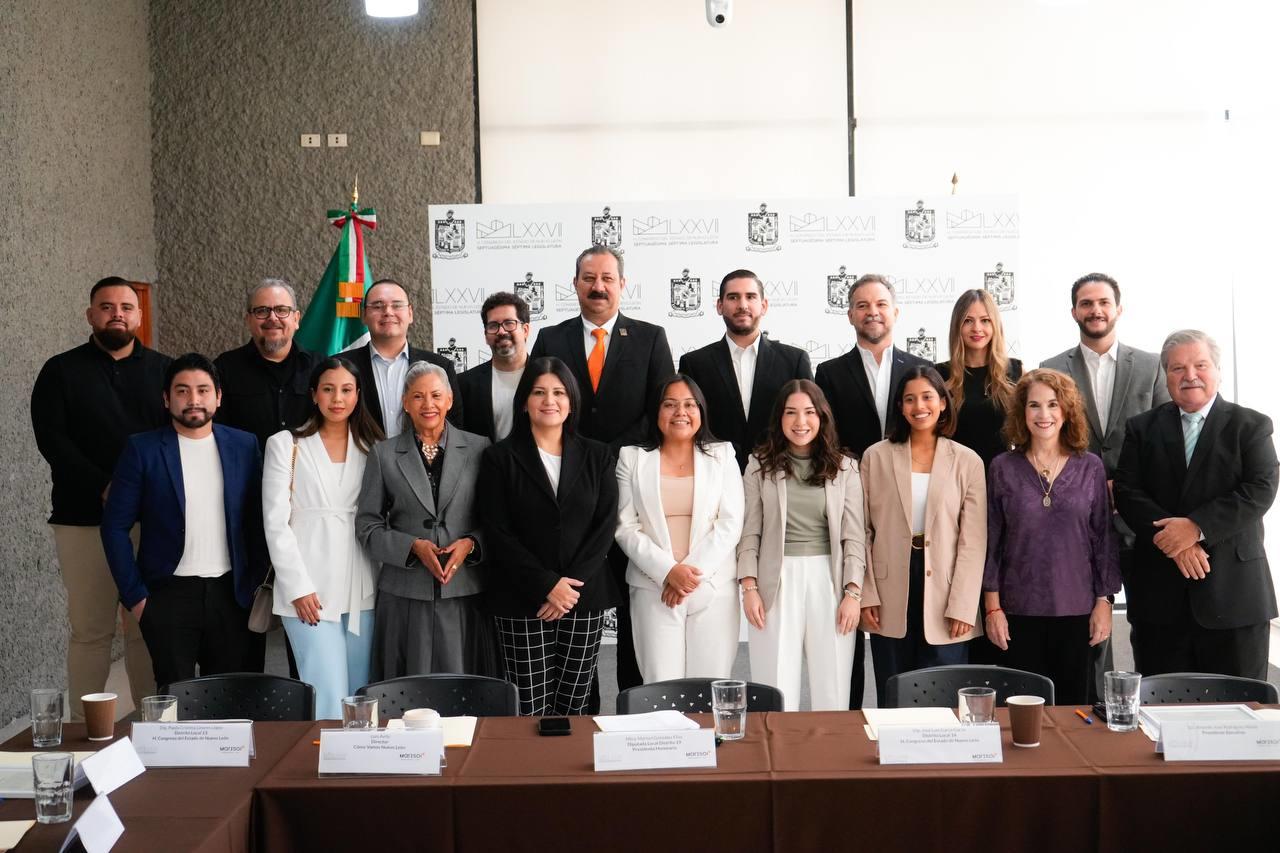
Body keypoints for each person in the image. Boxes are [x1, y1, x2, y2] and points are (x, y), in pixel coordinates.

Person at [529, 245, 674, 705]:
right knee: (576, 603)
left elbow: (660, 413)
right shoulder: (553, 338)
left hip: (631, 492)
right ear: (575, 285)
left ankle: (636, 703)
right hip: (567, 497)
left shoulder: (651, 338)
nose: (598, 286)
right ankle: (581, 707)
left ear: (622, 285)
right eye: (589, 278)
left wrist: (604, 456)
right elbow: (538, 405)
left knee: (635, 604)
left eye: (608, 278)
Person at [31, 276, 168, 720]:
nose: (117, 314)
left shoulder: (165, 372)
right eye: (106, 306)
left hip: (149, 523)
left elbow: (172, 441)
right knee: (90, 631)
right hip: (82, 519)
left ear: (139, 316)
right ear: (91, 315)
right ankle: (83, 733)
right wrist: (104, 485)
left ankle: (153, 730)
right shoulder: (60, 371)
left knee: (145, 629)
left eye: (126, 307)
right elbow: (53, 441)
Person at [1114, 330, 1278, 680]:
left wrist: (1196, 528)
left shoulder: (1250, 425)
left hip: (1234, 596)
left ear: (1217, 369)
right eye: (1177, 368)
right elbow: (1127, 491)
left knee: (1242, 711)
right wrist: (1175, 541)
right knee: (1162, 716)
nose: (1189, 375)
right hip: (1160, 598)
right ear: (1165, 376)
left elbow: (1261, 488)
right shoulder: (1142, 428)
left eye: (1200, 365)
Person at [101, 353, 268, 688]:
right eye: (182, 391)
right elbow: (114, 527)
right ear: (166, 399)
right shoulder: (142, 449)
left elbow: (259, 520)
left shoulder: (244, 445)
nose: (194, 399)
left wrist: (254, 585)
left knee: (231, 701)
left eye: (203, 390)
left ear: (218, 397)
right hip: (167, 596)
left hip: (232, 594)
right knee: (173, 704)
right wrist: (136, 597)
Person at [1040, 272, 1169, 688]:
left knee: (1150, 624)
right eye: (1086, 303)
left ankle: (1151, 708)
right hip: (1079, 523)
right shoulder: (1052, 368)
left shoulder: (1151, 366)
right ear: (1074, 310)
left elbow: (1165, 437)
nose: (1095, 310)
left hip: (1139, 521)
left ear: (1118, 308)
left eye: (1103, 302)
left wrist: (1126, 488)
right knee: (1090, 627)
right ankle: (1092, 712)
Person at [480, 357, 619, 715]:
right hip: (521, 598)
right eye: (539, 392)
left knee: (575, 704)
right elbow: (497, 531)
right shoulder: (499, 458)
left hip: (581, 598)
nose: (549, 400)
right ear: (524, 401)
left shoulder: (598, 455)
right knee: (528, 706)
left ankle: (569, 773)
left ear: (571, 401)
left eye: (558, 392)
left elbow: (604, 526)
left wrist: (567, 589)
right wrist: (545, 585)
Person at [814, 273, 928, 709]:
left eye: (880, 304)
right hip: (851, 497)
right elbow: (826, 438)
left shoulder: (921, 368)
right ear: (849, 315)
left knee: (902, 617)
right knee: (853, 611)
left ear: (895, 312)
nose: (872, 312)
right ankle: (850, 716)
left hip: (910, 502)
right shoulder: (829, 372)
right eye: (862, 305)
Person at [983, 369, 1120, 705]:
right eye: (1034, 405)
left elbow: (1103, 539)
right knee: (1020, 716)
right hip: (1017, 612)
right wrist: (992, 608)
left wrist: (1104, 602)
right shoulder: (1002, 467)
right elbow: (991, 541)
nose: (1044, 415)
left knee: (1075, 713)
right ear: (1021, 412)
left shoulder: (1090, 467)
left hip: (1077, 610)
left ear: (1067, 411)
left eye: (1053, 405)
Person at [263, 357, 384, 719]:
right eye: (328, 389)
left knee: (363, 694)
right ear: (314, 394)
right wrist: (297, 586)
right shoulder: (286, 444)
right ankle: (328, 769)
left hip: (363, 584)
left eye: (347, 390)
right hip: (308, 587)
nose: (337, 398)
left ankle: (362, 767)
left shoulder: (374, 445)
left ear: (358, 394)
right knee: (327, 693)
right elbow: (274, 521)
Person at [355, 362, 492, 679]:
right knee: (408, 690)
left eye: (435, 395)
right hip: (405, 592)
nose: (427, 404)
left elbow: (497, 520)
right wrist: (411, 546)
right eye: (417, 396)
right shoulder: (383, 454)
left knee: (464, 689)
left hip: (464, 591)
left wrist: (471, 544)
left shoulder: (480, 448)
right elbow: (367, 525)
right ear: (405, 402)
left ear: (449, 400)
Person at [859, 367, 986, 703]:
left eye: (928, 397)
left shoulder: (968, 461)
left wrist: (963, 603)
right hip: (889, 589)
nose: (919, 406)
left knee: (943, 693)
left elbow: (973, 540)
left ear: (943, 403)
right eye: (910, 399)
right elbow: (863, 531)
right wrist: (866, 593)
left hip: (946, 589)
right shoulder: (876, 457)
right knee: (894, 688)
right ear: (900, 406)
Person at [737, 380, 865, 711]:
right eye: (791, 413)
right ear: (779, 418)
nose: (800, 422)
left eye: (809, 412)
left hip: (829, 579)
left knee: (833, 686)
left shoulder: (845, 467)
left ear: (822, 417)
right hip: (774, 580)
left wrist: (853, 594)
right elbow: (750, 531)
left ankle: (830, 760)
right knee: (775, 685)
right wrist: (749, 586)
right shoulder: (759, 465)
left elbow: (854, 535)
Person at [615, 375, 744, 683]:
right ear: (656, 411)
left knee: (710, 688)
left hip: (712, 587)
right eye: (670, 405)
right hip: (653, 588)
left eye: (689, 404)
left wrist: (687, 575)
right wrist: (668, 572)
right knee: (660, 688)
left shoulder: (723, 455)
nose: (680, 413)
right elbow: (625, 527)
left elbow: (731, 522)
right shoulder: (632, 458)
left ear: (701, 410)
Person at [678, 269, 813, 472]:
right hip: (715, 474)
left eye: (750, 297)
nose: (742, 305)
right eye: (733, 297)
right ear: (720, 306)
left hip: (780, 473)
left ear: (764, 305)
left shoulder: (794, 360)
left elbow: (810, 419)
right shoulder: (695, 364)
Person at [347, 278, 464, 437]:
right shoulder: (343, 365)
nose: (388, 311)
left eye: (396, 305)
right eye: (378, 306)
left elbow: (454, 427)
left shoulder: (441, 366)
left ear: (410, 314)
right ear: (364, 315)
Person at [214, 279, 321, 449]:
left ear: (296, 319)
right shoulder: (224, 369)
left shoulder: (320, 368)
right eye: (262, 311)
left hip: (306, 473)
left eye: (281, 310)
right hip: (249, 474)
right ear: (248, 320)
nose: (272, 318)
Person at [936, 289, 1022, 469]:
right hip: (954, 477)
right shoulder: (939, 375)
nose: (977, 328)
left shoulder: (1016, 371)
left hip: (1003, 478)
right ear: (957, 325)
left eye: (985, 320)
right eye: (968, 321)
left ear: (995, 325)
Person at [458, 291, 530, 441]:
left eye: (509, 323)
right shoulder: (464, 384)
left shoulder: (546, 378)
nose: (502, 331)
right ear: (485, 336)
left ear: (525, 330)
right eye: (493, 326)